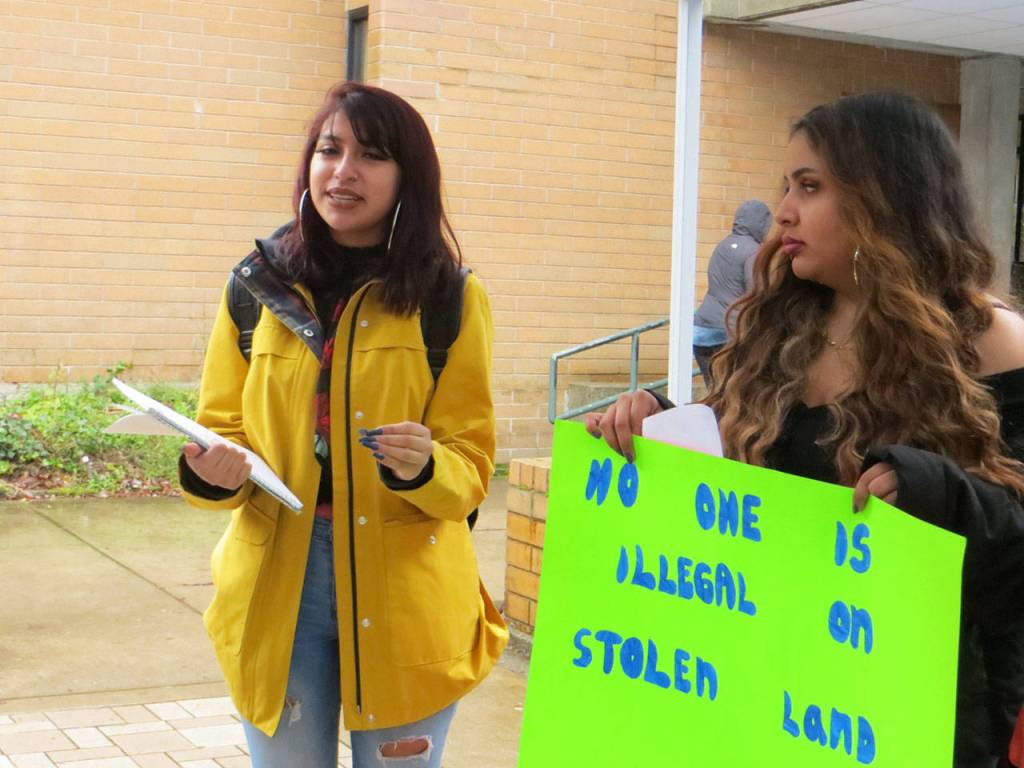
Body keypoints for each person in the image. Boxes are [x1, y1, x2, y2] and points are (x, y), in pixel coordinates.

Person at [585, 91, 1024, 768]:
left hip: (913, 724)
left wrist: (941, 492)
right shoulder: (777, 331)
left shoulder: (991, 340)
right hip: (766, 709)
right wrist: (656, 425)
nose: (784, 210)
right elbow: (732, 497)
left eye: (811, 186)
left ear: (887, 196)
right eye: (787, 186)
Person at [178, 82, 507, 768]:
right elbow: (222, 427)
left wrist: (424, 465)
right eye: (330, 149)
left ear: (407, 178)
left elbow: (470, 468)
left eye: (371, 155)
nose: (342, 170)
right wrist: (212, 470)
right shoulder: (255, 286)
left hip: (406, 603)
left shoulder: (449, 297)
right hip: (278, 591)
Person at [693, 199, 772, 388]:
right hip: (728, 333)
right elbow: (756, 292)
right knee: (733, 393)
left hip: (701, 330)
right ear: (760, 223)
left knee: (713, 390)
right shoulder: (754, 251)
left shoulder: (722, 246)